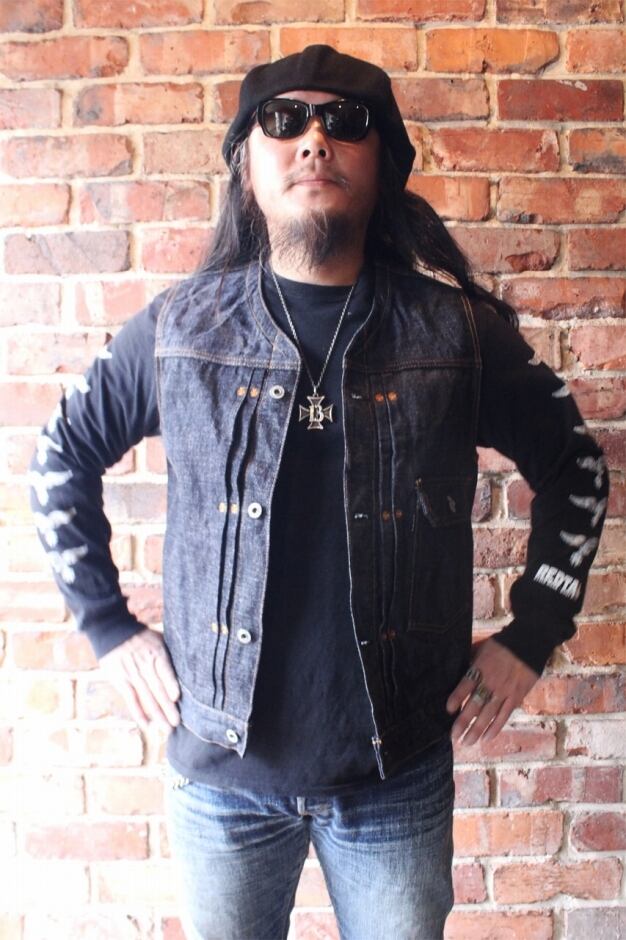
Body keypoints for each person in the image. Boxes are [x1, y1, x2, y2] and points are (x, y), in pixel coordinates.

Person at [29, 44, 608, 940]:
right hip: (219, 779)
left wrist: (533, 631)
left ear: (385, 162)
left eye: (345, 121)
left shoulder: (456, 334)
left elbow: (578, 467)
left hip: (396, 778)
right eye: (284, 119)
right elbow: (60, 456)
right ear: (247, 163)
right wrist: (107, 627)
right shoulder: (179, 330)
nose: (313, 140)